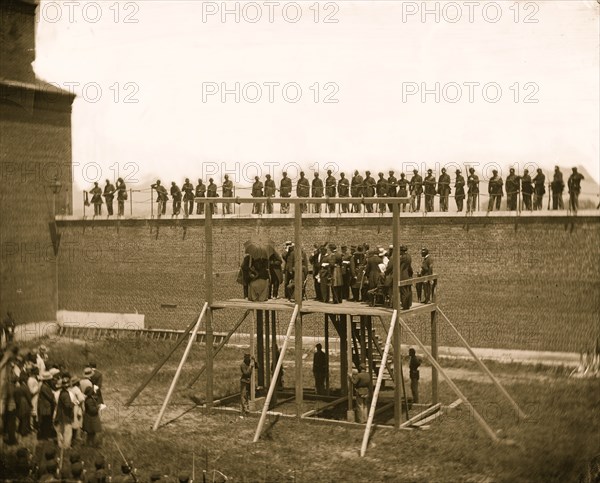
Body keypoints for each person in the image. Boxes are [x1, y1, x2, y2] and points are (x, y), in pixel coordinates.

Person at [54, 377, 74, 450]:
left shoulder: (61, 392)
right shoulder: (66, 394)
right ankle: (66, 446)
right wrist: (73, 404)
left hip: (61, 415)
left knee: (61, 431)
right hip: (66, 415)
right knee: (67, 431)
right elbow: (67, 405)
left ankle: (61, 445)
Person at [37, 371, 55, 441]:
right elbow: (50, 396)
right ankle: (45, 436)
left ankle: (44, 435)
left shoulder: (44, 386)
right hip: (45, 407)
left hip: (45, 407)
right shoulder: (45, 387)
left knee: (45, 421)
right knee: (46, 422)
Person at [399, 245, 413, 310]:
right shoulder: (409, 256)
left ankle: (404, 306)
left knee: (403, 292)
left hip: (402, 275)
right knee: (407, 291)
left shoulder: (402, 258)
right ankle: (408, 304)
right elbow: (410, 267)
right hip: (407, 275)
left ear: (402, 251)